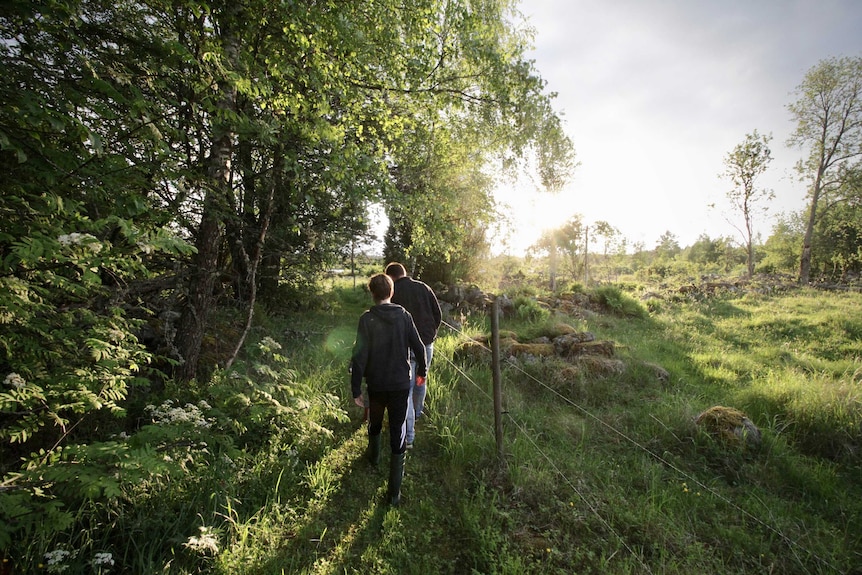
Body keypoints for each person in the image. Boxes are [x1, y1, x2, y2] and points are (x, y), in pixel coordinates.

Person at [351, 273, 427, 506]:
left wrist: (356, 389)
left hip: (377, 384)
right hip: (400, 385)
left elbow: (359, 356)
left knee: (375, 421)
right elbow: (419, 346)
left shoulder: (366, 319)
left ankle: (373, 457)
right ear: (391, 292)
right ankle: (394, 493)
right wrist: (422, 372)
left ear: (372, 293)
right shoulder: (404, 316)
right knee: (398, 429)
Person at [384, 262, 442, 448]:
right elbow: (438, 314)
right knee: (421, 380)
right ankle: (417, 414)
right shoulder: (424, 287)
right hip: (426, 344)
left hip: (404, 347)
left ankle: (408, 436)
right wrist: (430, 334)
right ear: (404, 273)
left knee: (405, 391)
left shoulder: (392, 292)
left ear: (391, 277)